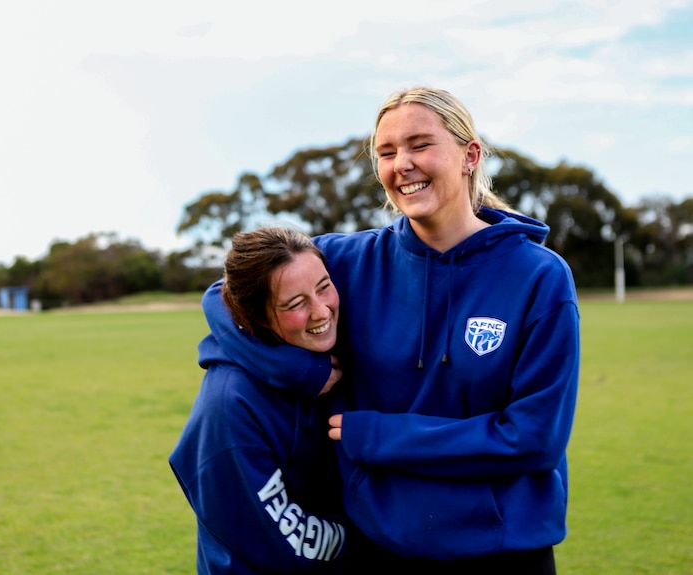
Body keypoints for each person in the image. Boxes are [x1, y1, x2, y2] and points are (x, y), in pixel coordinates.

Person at [200, 86, 580, 574]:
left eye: (420, 145)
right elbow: (227, 294)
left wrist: (380, 435)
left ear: (470, 155)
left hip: (502, 550)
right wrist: (300, 369)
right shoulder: (346, 262)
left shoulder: (540, 276)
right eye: (386, 152)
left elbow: (533, 438)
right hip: (377, 550)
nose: (402, 163)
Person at [169, 227, 351, 574]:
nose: (321, 311)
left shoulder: (328, 354)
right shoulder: (229, 406)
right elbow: (286, 541)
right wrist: (371, 536)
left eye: (324, 286)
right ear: (255, 317)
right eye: (295, 304)